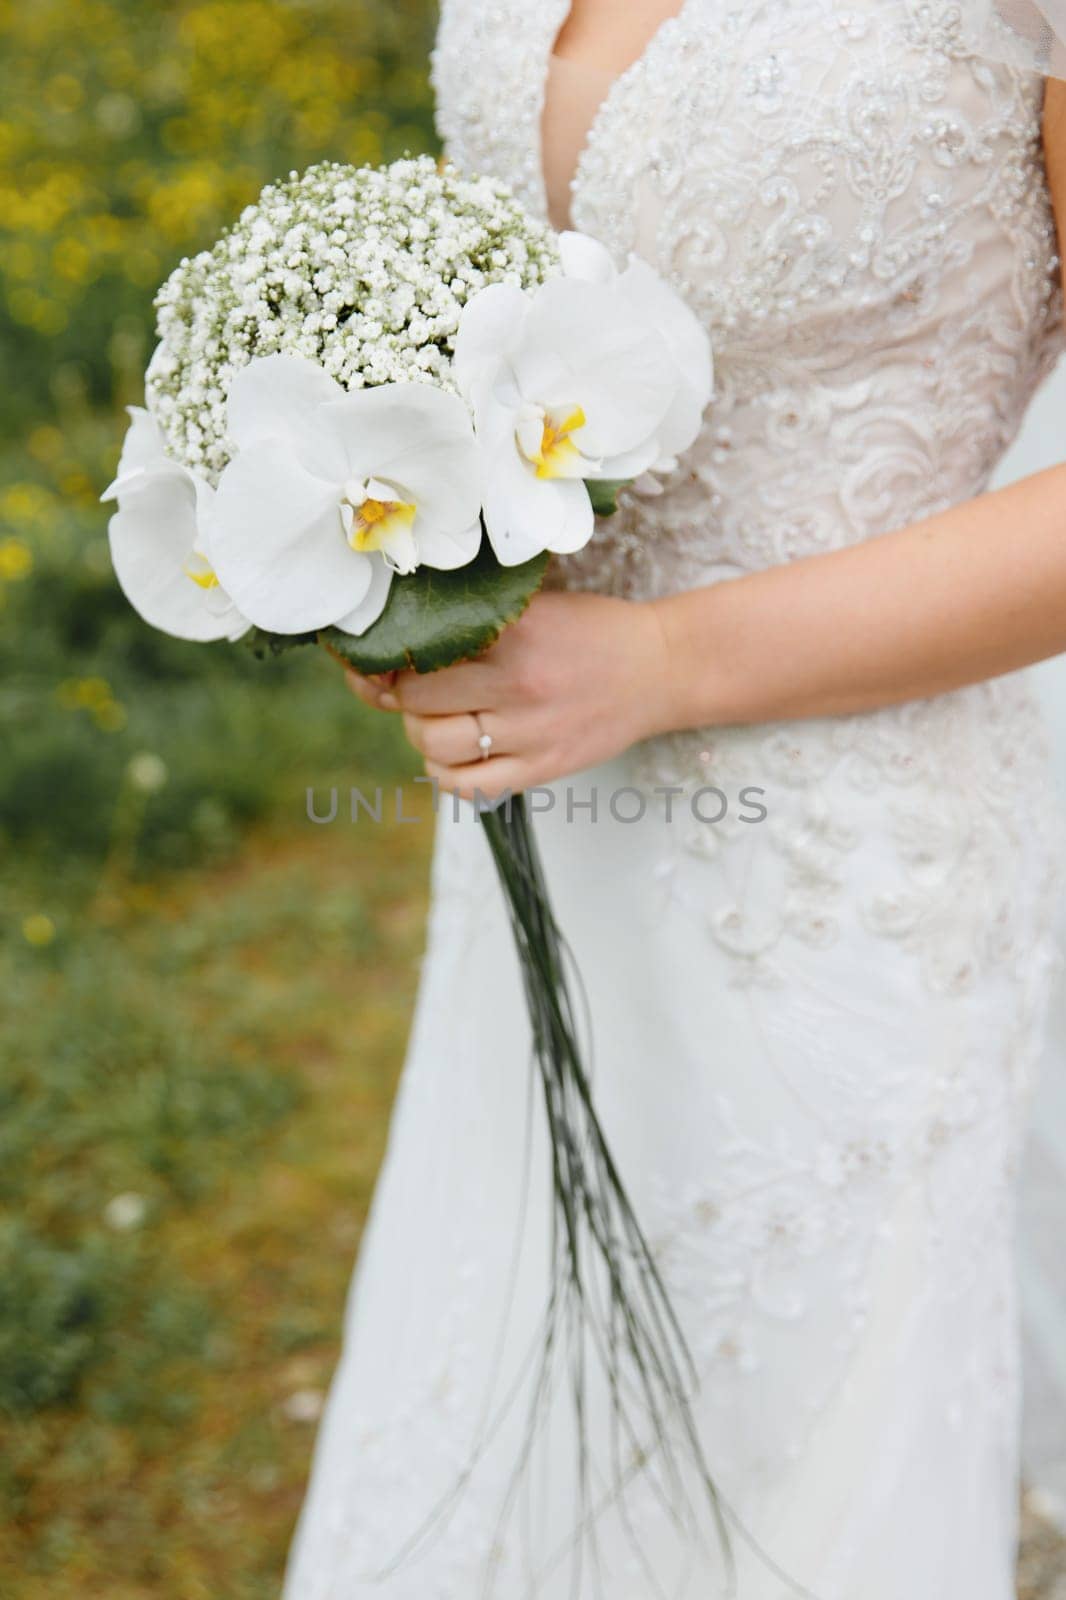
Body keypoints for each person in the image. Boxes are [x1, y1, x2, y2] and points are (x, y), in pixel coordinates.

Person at [282, 3, 1066, 1595]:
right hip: (551, 813)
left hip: (849, 860)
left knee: (799, 1444)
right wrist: (409, 555)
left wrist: (665, 660)